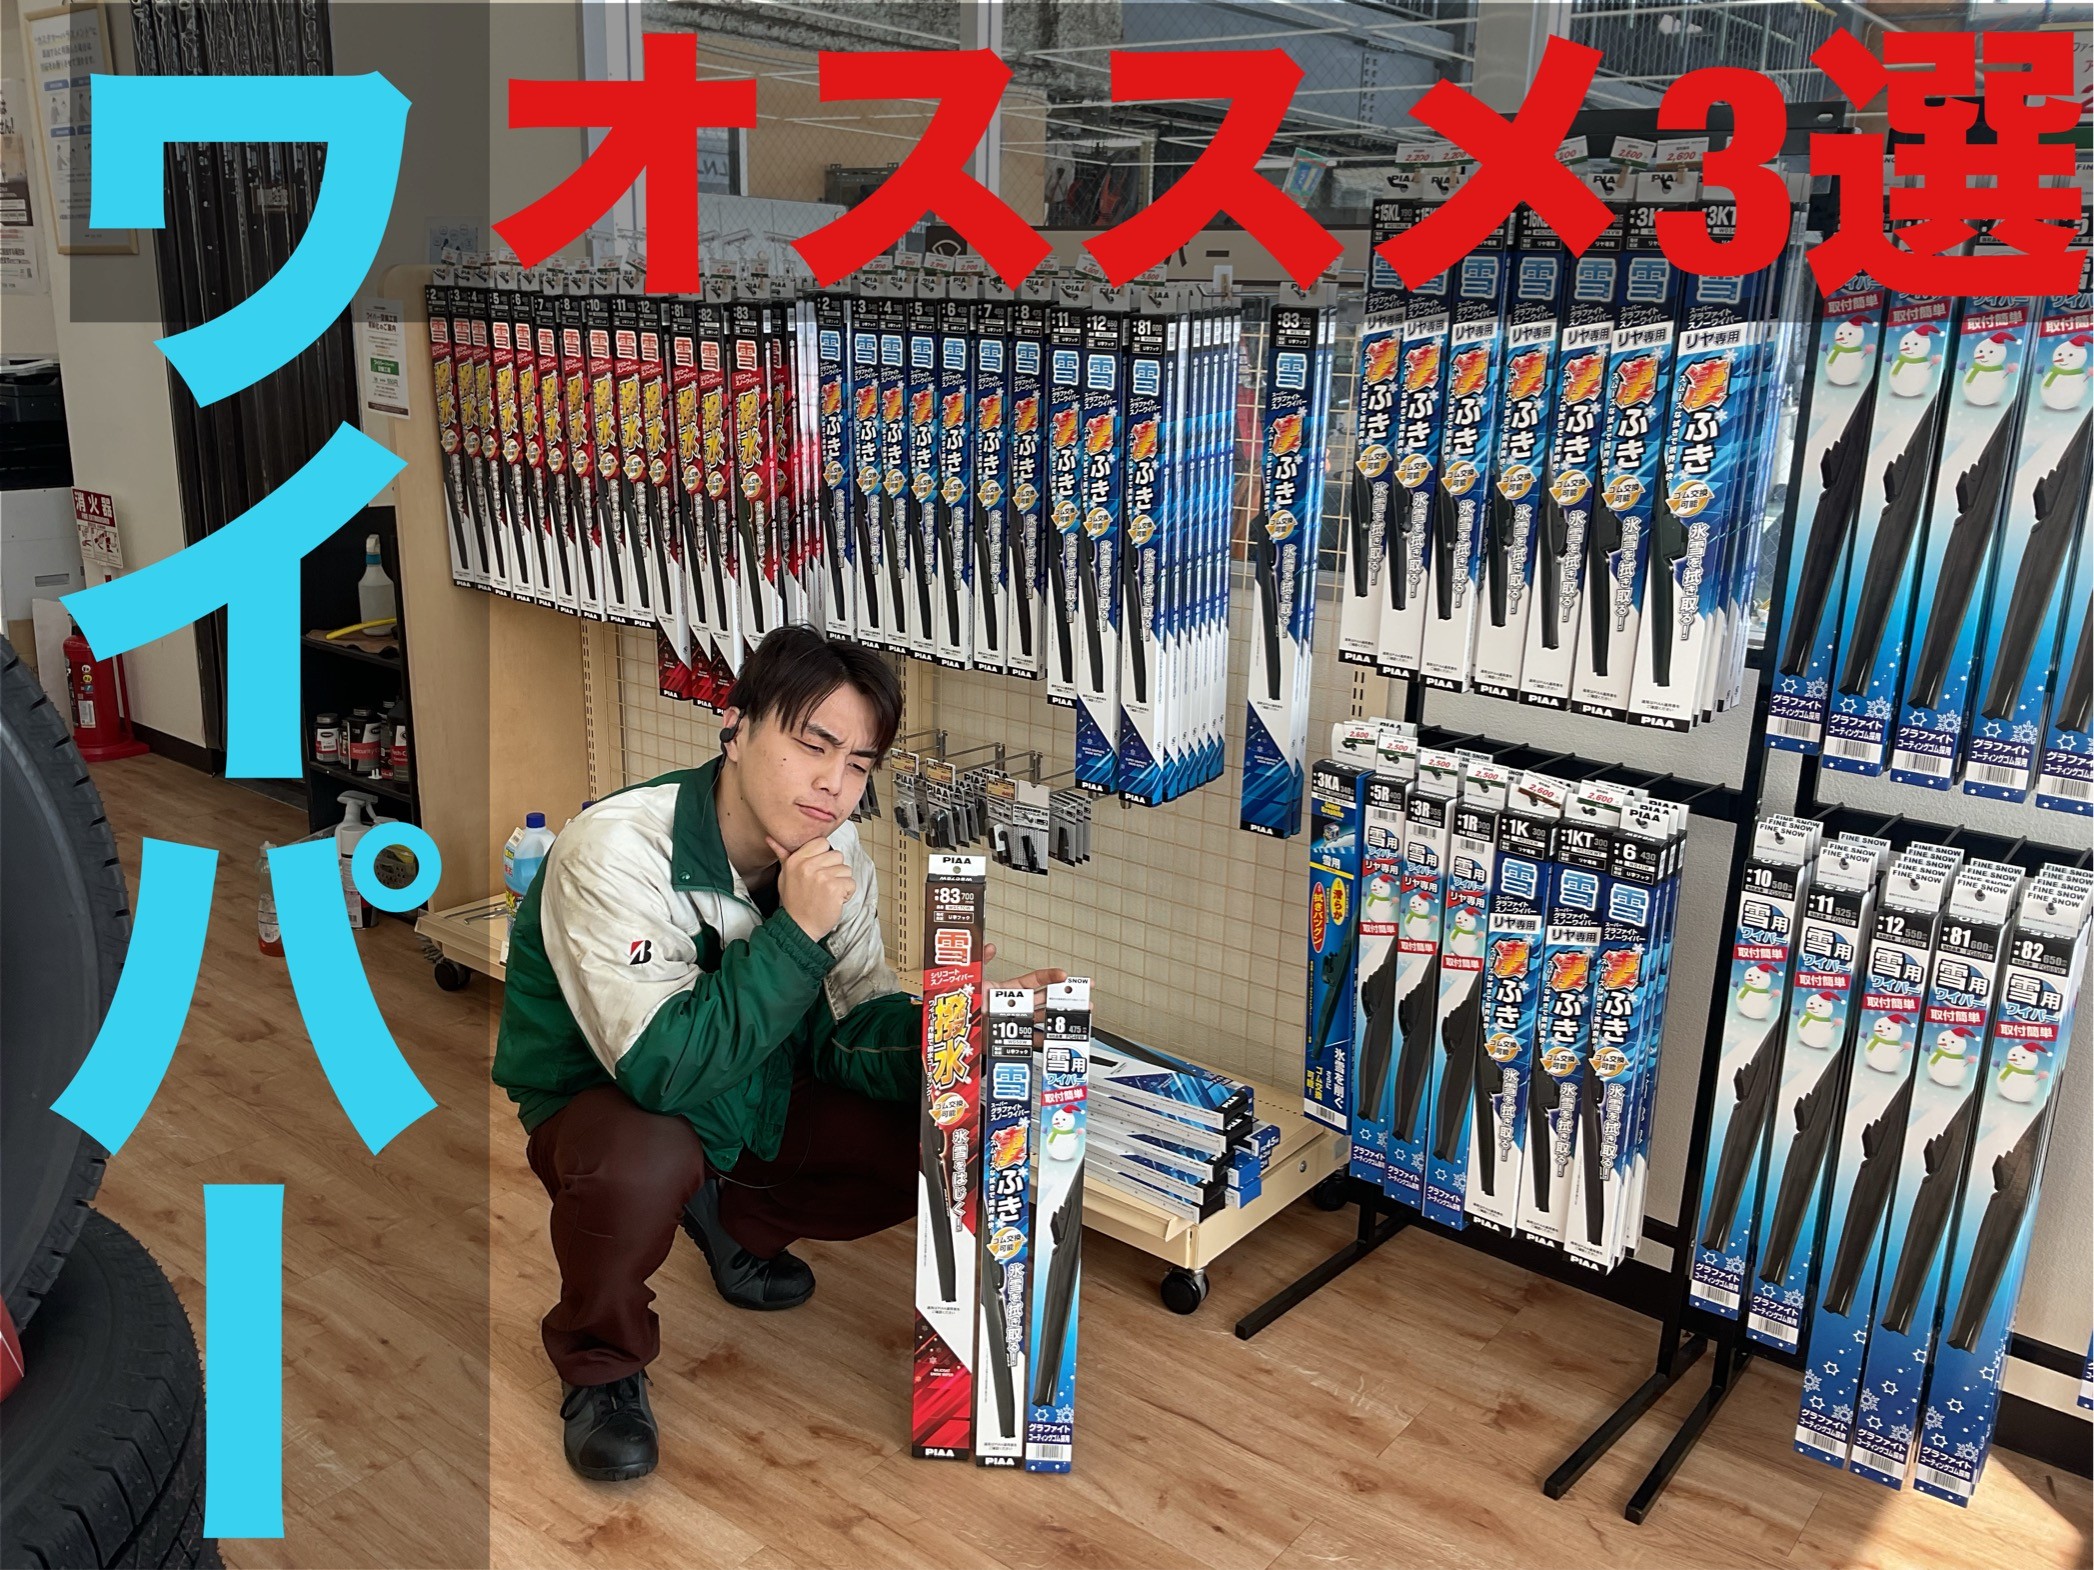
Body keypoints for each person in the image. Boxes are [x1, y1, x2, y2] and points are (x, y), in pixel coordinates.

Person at [493, 626, 1065, 1481]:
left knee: (938, 1121)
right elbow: (662, 1071)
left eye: (860, 763)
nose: (835, 783)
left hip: (755, 1080)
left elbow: (850, 1025)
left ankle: (738, 1225)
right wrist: (796, 931)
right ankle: (601, 1364)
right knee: (645, 1159)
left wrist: (961, 1026)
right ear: (737, 726)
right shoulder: (614, 850)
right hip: (608, 1100)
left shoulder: (839, 857)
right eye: (814, 745)